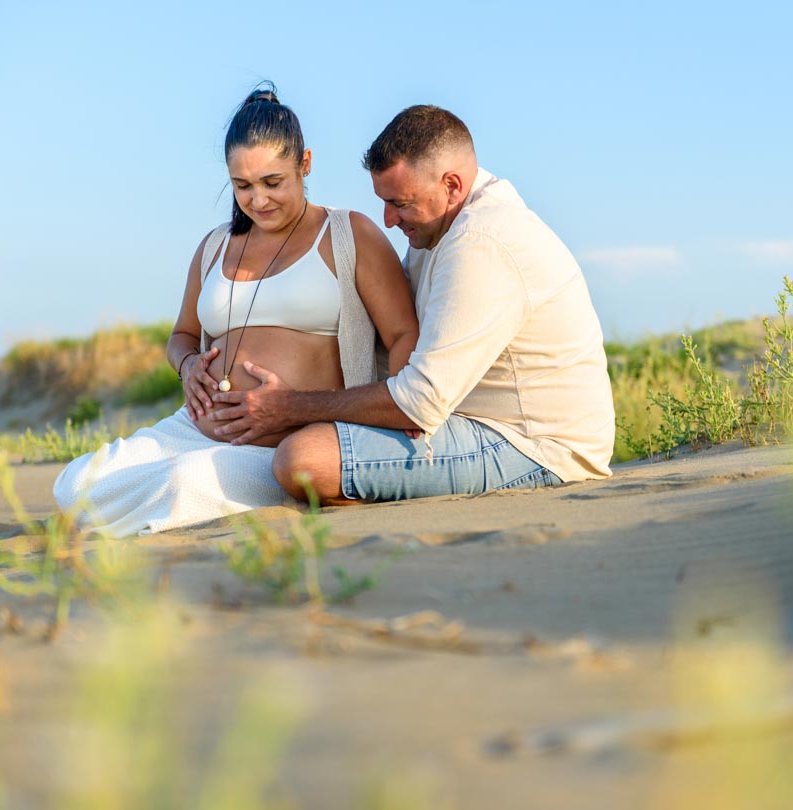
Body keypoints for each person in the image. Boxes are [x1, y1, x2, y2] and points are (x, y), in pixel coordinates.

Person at [52, 87, 418, 534]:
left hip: (287, 441)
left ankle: (144, 513)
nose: (258, 200)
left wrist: (399, 413)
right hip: (191, 428)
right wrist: (187, 367)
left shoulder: (347, 234)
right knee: (73, 486)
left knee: (185, 484)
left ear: (305, 163)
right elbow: (181, 335)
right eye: (242, 186)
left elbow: (402, 332)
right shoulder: (214, 246)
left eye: (272, 182)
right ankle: (139, 509)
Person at [208, 105, 615, 504]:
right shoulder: (435, 229)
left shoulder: (481, 242)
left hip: (534, 444)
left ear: (451, 185)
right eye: (384, 201)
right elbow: (387, 336)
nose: (387, 219)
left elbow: (418, 402)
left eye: (401, 204)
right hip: (469, 421)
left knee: (305, 459)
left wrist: (289, 407)